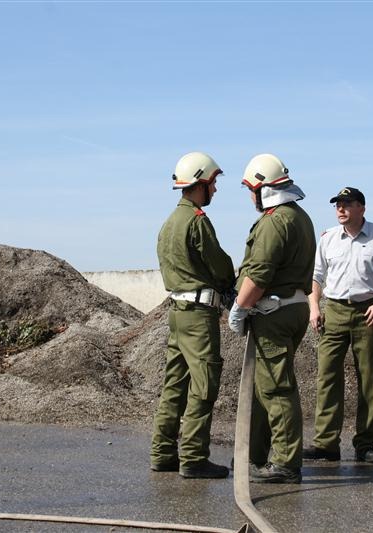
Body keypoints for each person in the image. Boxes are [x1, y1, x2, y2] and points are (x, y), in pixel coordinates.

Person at [228, 153, 316, 484]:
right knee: (265, 386)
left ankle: (285, 463)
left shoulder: (275, 221)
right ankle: (254, 454)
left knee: (276, 389)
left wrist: (240, 306)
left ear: (262, 188)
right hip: (291, 308)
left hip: (273, 313)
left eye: (251, 190)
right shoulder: (299, 217)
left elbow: (259, 274)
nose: (250, 197)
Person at [305, 187, 373, 464]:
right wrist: (314, 307)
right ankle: (326, 444)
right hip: (334, 312)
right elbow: (315, 276)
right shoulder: (327, 238)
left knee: (368, 379)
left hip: (368, 313)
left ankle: (365, 444)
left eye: (347, 204)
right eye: (338, 204)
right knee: (327, 377)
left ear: (362, 207)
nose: (341, 209)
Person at [150, 152, 235, 479]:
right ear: (200, 183)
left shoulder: (169, 224)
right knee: (203, 385)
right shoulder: (197, 221)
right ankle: (194, 457)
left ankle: (162, 453)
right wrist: (231, 284)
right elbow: (220, 266)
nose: (215, 189)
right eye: (213, 183)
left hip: (177, 312)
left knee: (175, 383)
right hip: (199, 315)